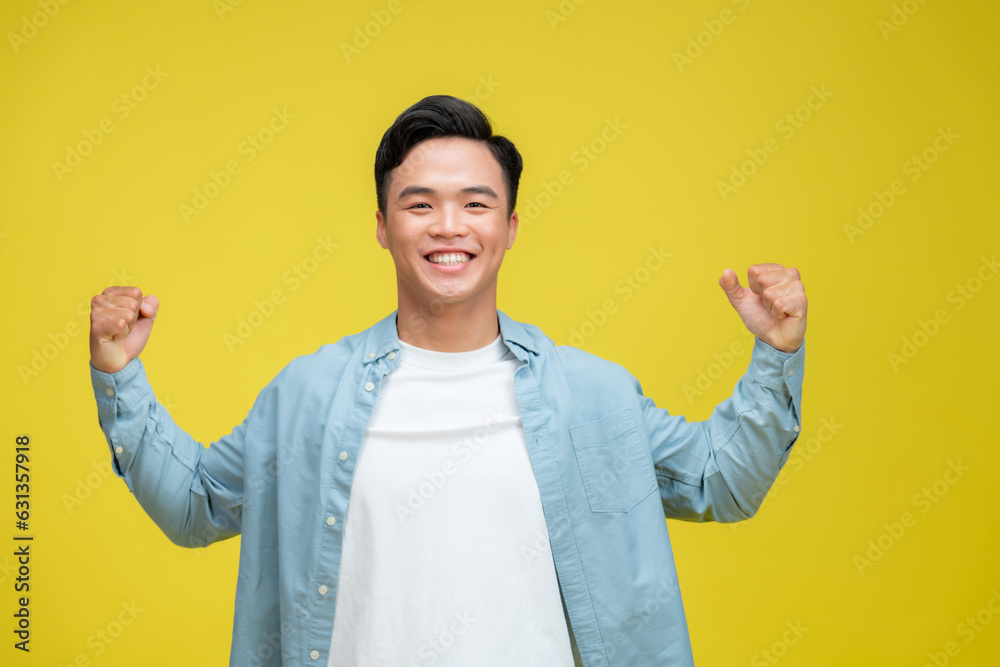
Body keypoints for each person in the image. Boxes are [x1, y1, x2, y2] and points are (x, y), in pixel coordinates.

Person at [89, 95, 807, 666]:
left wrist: (775, 354)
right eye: (420, 203)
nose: (449, 226)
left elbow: (720, 482)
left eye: (475, 202)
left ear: (510, 225)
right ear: (382, 225)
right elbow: (197, 504)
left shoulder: (591, 394)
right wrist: (121, 377)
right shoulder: (308, 394)